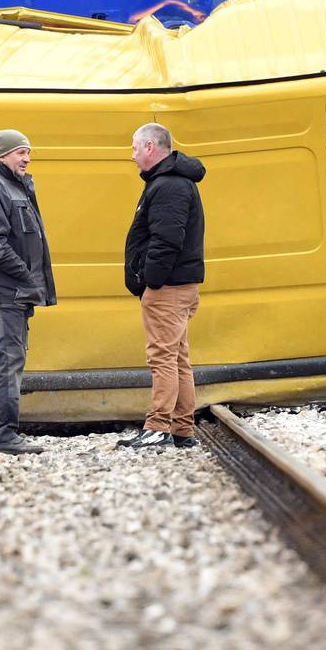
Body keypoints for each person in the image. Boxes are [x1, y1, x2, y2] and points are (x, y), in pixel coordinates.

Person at [0, 129, 56, 455]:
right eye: (21, 153)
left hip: (11, 293)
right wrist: (26, 277)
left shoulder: (7, 184)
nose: (27, 158)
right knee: (6, 363)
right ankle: (2, 436)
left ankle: (3, 433)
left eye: (28, 152)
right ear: (3, 154)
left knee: (8, 361)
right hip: (4, 293)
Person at [120, 123, 207, 449]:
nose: (132, 156)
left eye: (134, 148)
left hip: (168, 289)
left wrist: (150, 281)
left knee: (162, 359)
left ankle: (157, 428)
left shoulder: (168, 185)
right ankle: (183, 430)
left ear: (150, 148)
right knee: (178, 359)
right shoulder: (173, 181)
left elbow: (167, 240)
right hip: (179, 287)